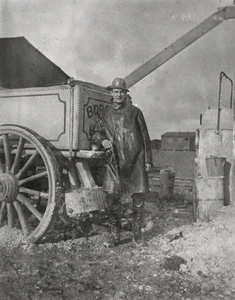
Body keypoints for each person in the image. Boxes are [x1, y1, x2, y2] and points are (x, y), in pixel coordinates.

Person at [91, 77, 152, 247]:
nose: (118, 95)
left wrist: (148, 161)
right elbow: (96, 133)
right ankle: (114, 236)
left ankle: (137, 236)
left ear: (126, 94)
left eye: (121, 92)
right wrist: (101, 140)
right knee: (111, 199)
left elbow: (146, 137)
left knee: (138, 200)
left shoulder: (135, 112)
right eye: (116, 91)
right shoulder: (105, 114)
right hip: (114, 162)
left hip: (136, 161)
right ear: (111, 93)